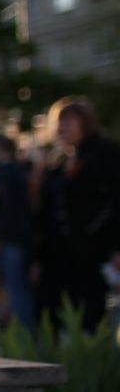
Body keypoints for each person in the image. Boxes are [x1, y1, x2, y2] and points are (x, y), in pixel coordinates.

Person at [35, 97, 120, 330]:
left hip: (92, 251)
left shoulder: (103, 153)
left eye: (68, 122)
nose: (62, 129)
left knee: (90, 315)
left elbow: (113, 201)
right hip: (58, 254)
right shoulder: (58, 161)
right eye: (59, 123)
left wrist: (115, 247)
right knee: (52, 313)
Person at [0, 134, 37, 329]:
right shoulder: (19, 171)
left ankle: (22, 333)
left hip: (9, 239)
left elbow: (5, 210)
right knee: (17, 287)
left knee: (15, 288)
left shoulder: (5, 173)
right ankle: (23, 331)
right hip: (19, 238)